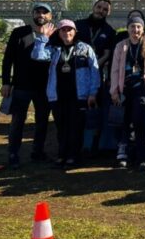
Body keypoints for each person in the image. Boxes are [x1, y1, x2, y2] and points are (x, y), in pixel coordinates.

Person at [32, 20, 99, 168]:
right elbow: (37, 56)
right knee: (61, 127)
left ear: (75, 32)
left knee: (75, 127)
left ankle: (73, 156)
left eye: (70, 30)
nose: (66, 33)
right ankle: (62, 155)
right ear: (59, 33)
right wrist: (43, 38)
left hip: (79, 95)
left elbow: (95, 72)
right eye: (63, 30)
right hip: (57, 95)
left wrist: (93, 93)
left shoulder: (85, 48)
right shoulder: (54, 49)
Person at [2, 3, 54, 168]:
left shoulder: (55, 35)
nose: (41, 15)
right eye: (38, 12)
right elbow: (8, 59)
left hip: (44, 87)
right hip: (21, 85)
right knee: (17, 121)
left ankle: (37, 152)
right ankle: (13, 153)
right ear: (32, 14)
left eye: (45, 13)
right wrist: (6, 82)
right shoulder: (20, 33)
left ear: (50, 16)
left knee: (42, 121)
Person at [110, 17, 145, 172]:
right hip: (124, 88)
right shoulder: (121, 46)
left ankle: (143, 158)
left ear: (143, 28)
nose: (135, 30)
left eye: (139, 27)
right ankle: (124, 155)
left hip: (143, 89)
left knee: (140, 122)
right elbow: (114, 70)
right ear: (127, 29)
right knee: (124, 122)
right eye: (132, 27)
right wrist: (114, 91)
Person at [74, 0, 116, 155]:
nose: (101, 11)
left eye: (105, 9)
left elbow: (108, 55)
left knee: (95, 110)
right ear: (93, 7)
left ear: (108, 13)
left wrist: (96, 63)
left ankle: (93, 146)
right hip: (76, 75)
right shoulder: (78, 25)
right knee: (76, 111)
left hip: (96, 76)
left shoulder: (110, 31)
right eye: (99, 7)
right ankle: (75, 146)